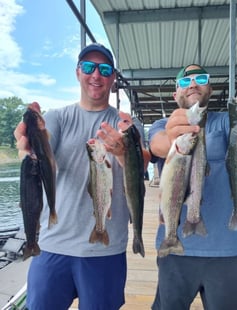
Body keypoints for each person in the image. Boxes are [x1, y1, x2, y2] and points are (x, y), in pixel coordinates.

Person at [14, 42, 150, 310]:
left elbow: (141, 165)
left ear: (112, 78)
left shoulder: (127, 125)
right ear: (78, 73)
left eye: (104, 68)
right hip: (52, 245)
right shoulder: (57, 118)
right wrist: (29, 146)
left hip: (104, 250)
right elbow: (39, 154)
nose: (95, 75)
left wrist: (123, 151)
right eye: (88, 67)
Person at [148, 64, 237, 310]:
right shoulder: (163, 124)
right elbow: (158, 146)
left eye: (200, 78)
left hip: (227, 252)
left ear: (210, 88)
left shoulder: (227, 122)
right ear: (175, 94)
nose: (192, 84)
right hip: (176, 251)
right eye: (185, 81)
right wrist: (174, 138)